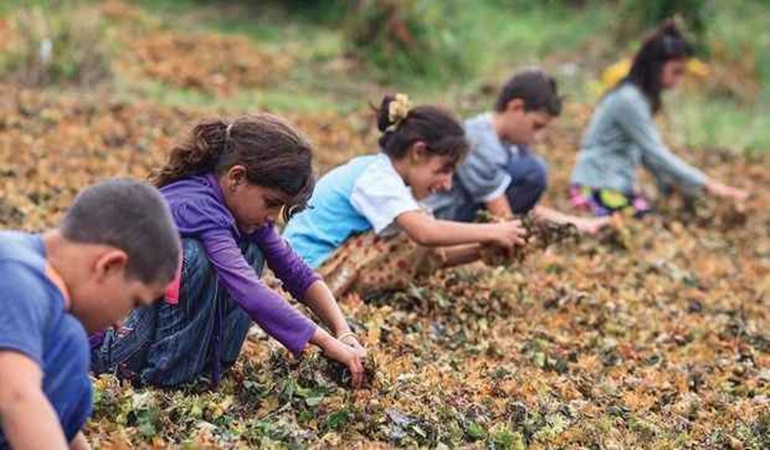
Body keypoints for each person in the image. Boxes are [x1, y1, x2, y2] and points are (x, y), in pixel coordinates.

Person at [91, 114, 369, 389]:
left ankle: (205, 369)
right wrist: (325, 342)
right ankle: (165, 381)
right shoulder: (197, 206)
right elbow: (250, 291)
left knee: (253, 247)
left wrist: (342, 331)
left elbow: (296, 272)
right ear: (236, 177)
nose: (273, 217)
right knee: (193, 257)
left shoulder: (240, 211)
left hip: (144, 337)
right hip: (112, 350)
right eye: (271, 203)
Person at [283, 94, 526, 298]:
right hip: (305, 271)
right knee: (414, 232)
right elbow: (425, 234)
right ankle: (332, 299)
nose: (447, 183)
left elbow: (428, 250)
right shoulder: (377, 178)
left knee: (417, 228)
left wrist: (481, 248)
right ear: (418, 152)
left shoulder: (386, 177)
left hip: (314, 266)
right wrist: (494, 231)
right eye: (444, 170)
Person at [0, 180, 179, 450]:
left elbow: (54, 421)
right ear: (109, 266)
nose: (120, 324)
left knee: (68, 345)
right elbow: (17, 398)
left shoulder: (32, 274)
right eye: (133, 301)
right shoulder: (17, 276)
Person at [570, 22, 748, 217]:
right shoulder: (629, 100)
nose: (678, 80)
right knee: (647, 225)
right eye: (676, 72)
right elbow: (656, 153)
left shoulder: (637, 99)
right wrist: (709, 185)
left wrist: (673, 185)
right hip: (597, 187)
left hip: (610, 184)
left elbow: (648, 157)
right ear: (655, 66)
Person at [425, 70, 609, 233]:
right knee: (534, 171)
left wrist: (579, 224)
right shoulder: (480, 142)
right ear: (516, 107)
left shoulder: (506, 144)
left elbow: (521, 207)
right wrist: (518, 242)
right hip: (444, 217)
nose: (538, 137)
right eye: (536, 126)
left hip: (466, 211)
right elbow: (502, 213)